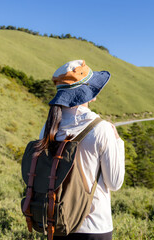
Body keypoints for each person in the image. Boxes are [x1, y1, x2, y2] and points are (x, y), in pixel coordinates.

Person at [38, 60, 125, 240]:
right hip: (94, 226)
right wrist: (118, 142)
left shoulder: (48, 127)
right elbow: (114, 183)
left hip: (57, 223)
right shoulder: (101, 128)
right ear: (87, 92)